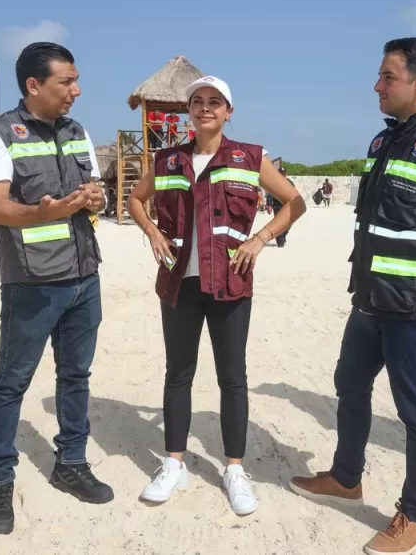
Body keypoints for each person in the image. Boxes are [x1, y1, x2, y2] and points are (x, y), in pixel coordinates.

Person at [289, 38, 416, 553]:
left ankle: (415, 516)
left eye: (387, 77)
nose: (377, 85)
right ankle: (347, 478)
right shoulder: (383, 143)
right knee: (349, 384)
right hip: (371, 300)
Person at [127, 75, 306, 516]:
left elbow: (294, 202)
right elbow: (135, 198)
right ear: (190, 111)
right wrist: (152, 232)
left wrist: (260, 239)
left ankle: (234, 469)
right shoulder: (167, 159)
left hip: (229, 281)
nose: (205, 108)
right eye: (198, 101)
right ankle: (174, 464)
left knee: (232, 377)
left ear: (228, 112)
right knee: (178, 374)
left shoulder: (250, 157)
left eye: (215, 102)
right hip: (178, 283)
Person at [0, 42, 107, 535]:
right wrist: (46, 212)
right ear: (33, 85)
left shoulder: (77, 131)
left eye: (75, 79)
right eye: (66, 81)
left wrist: (93, 197)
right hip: (32, 283)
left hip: (84, 277)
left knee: (76, 377)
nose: (76, 90)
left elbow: (94, 194)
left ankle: (71, 462)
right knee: (11, 384)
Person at [267, 166, 294, 246]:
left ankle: (283, 235)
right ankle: (280, 241)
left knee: (289, 223)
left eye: (283, 173)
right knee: (279, 223)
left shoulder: (290, 182)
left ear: (286, 174)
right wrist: (269, 204)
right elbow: (270, 193)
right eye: (280, 173)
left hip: (288, 205)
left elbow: (294, 193)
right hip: (277, 206)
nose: (282, 175)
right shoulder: (274, 183)